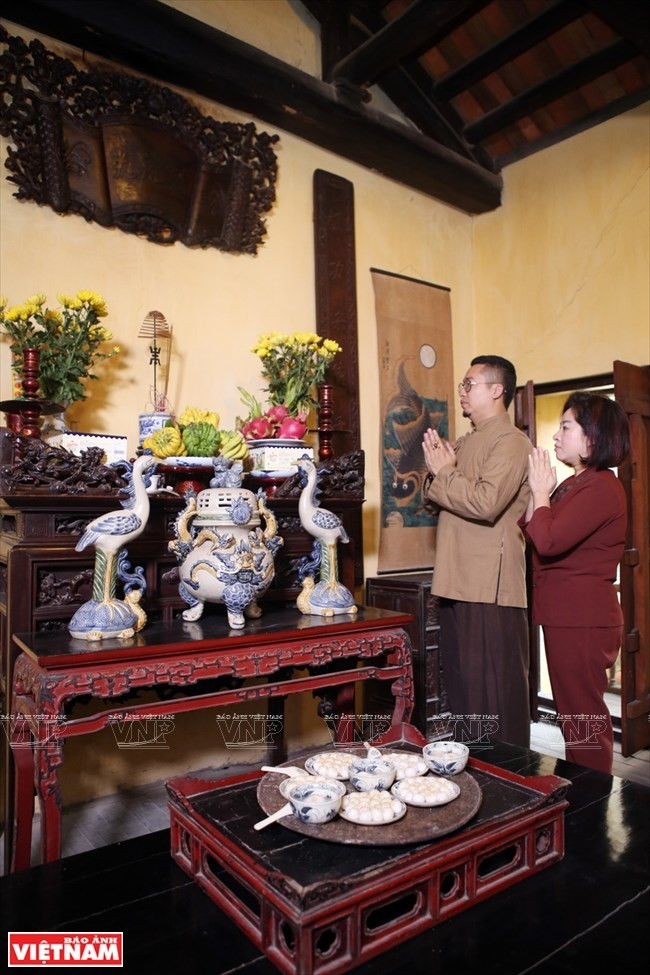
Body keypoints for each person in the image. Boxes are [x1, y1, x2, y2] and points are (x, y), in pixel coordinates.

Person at [422, 355, 532, 747]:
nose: (462, 392)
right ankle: (478, 775)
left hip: (490, 584)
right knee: (465, 691)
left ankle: (511, 779)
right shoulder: (467, 441)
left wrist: (444, 472)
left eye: (470, 384)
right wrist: (438, 471)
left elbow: (485, 504)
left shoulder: (512, 442)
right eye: (463, 386)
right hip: (456, 578)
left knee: (495, 693)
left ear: (497, 390)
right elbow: (440, 500)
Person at [521, 392, 629, 774]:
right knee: (574, 716)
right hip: (567, 615)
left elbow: (548, 540)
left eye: (566, 427)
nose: (556, 436)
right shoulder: (574, 484)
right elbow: (533, 528)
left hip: (583, 618)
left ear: (593, 439)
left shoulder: (600, 487)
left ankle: (592, 803)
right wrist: (539, 491)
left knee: (584, 720)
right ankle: (583, 795)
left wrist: (538, 491)